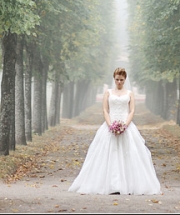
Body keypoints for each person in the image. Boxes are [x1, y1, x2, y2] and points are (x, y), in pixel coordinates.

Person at [68, 67, 161, 195]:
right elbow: (105, 110)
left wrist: (125, 126)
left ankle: (127, 184)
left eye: (121, 80)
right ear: (114, 79)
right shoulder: (108, 93)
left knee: (129, 153)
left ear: (125, 79)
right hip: (109, 125)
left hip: (125, 125)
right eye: (117, 79)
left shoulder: (129, 93)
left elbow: (132, 110)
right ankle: (110, 184)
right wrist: (110, 125)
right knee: (107, 153)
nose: (119, 82)